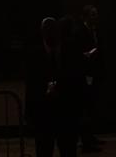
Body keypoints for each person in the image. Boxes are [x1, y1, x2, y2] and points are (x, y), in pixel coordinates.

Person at [25, 17, 82, 157]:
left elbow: (76, 79)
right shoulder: (35, 55)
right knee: (45, 149)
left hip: (66, 110)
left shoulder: (69, 51)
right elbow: (31, 85)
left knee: (67, 149)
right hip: (44, 112)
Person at [75, 5, 103, 152]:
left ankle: (90, 136)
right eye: (92, 15)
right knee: (86, 106)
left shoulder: (93, 31)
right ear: (85, 17)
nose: (95, 17)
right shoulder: (81, 32)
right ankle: (86, 139)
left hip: (92, 72)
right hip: (86, 73)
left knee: (91, 106)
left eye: (96, 14)